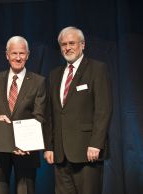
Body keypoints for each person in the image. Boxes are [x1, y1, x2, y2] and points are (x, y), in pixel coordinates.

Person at [44, 26, 113, 194]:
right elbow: (50, 114)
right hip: (60, 155)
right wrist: (49, 146)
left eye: (72, 43)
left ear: (83, 45)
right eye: (63, 44)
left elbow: (103, 110)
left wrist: (96, 144)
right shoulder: (54, 75)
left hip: (87, 152)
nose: (67, 47)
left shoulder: (97, 69)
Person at [0, 36, 48, 194]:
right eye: (14, 53)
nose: (18, 57)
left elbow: (39, 116)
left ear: (28, 55)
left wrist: (23, 142)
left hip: (26, 151)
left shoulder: (38, 81)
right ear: (7, 55)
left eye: (22, 53)